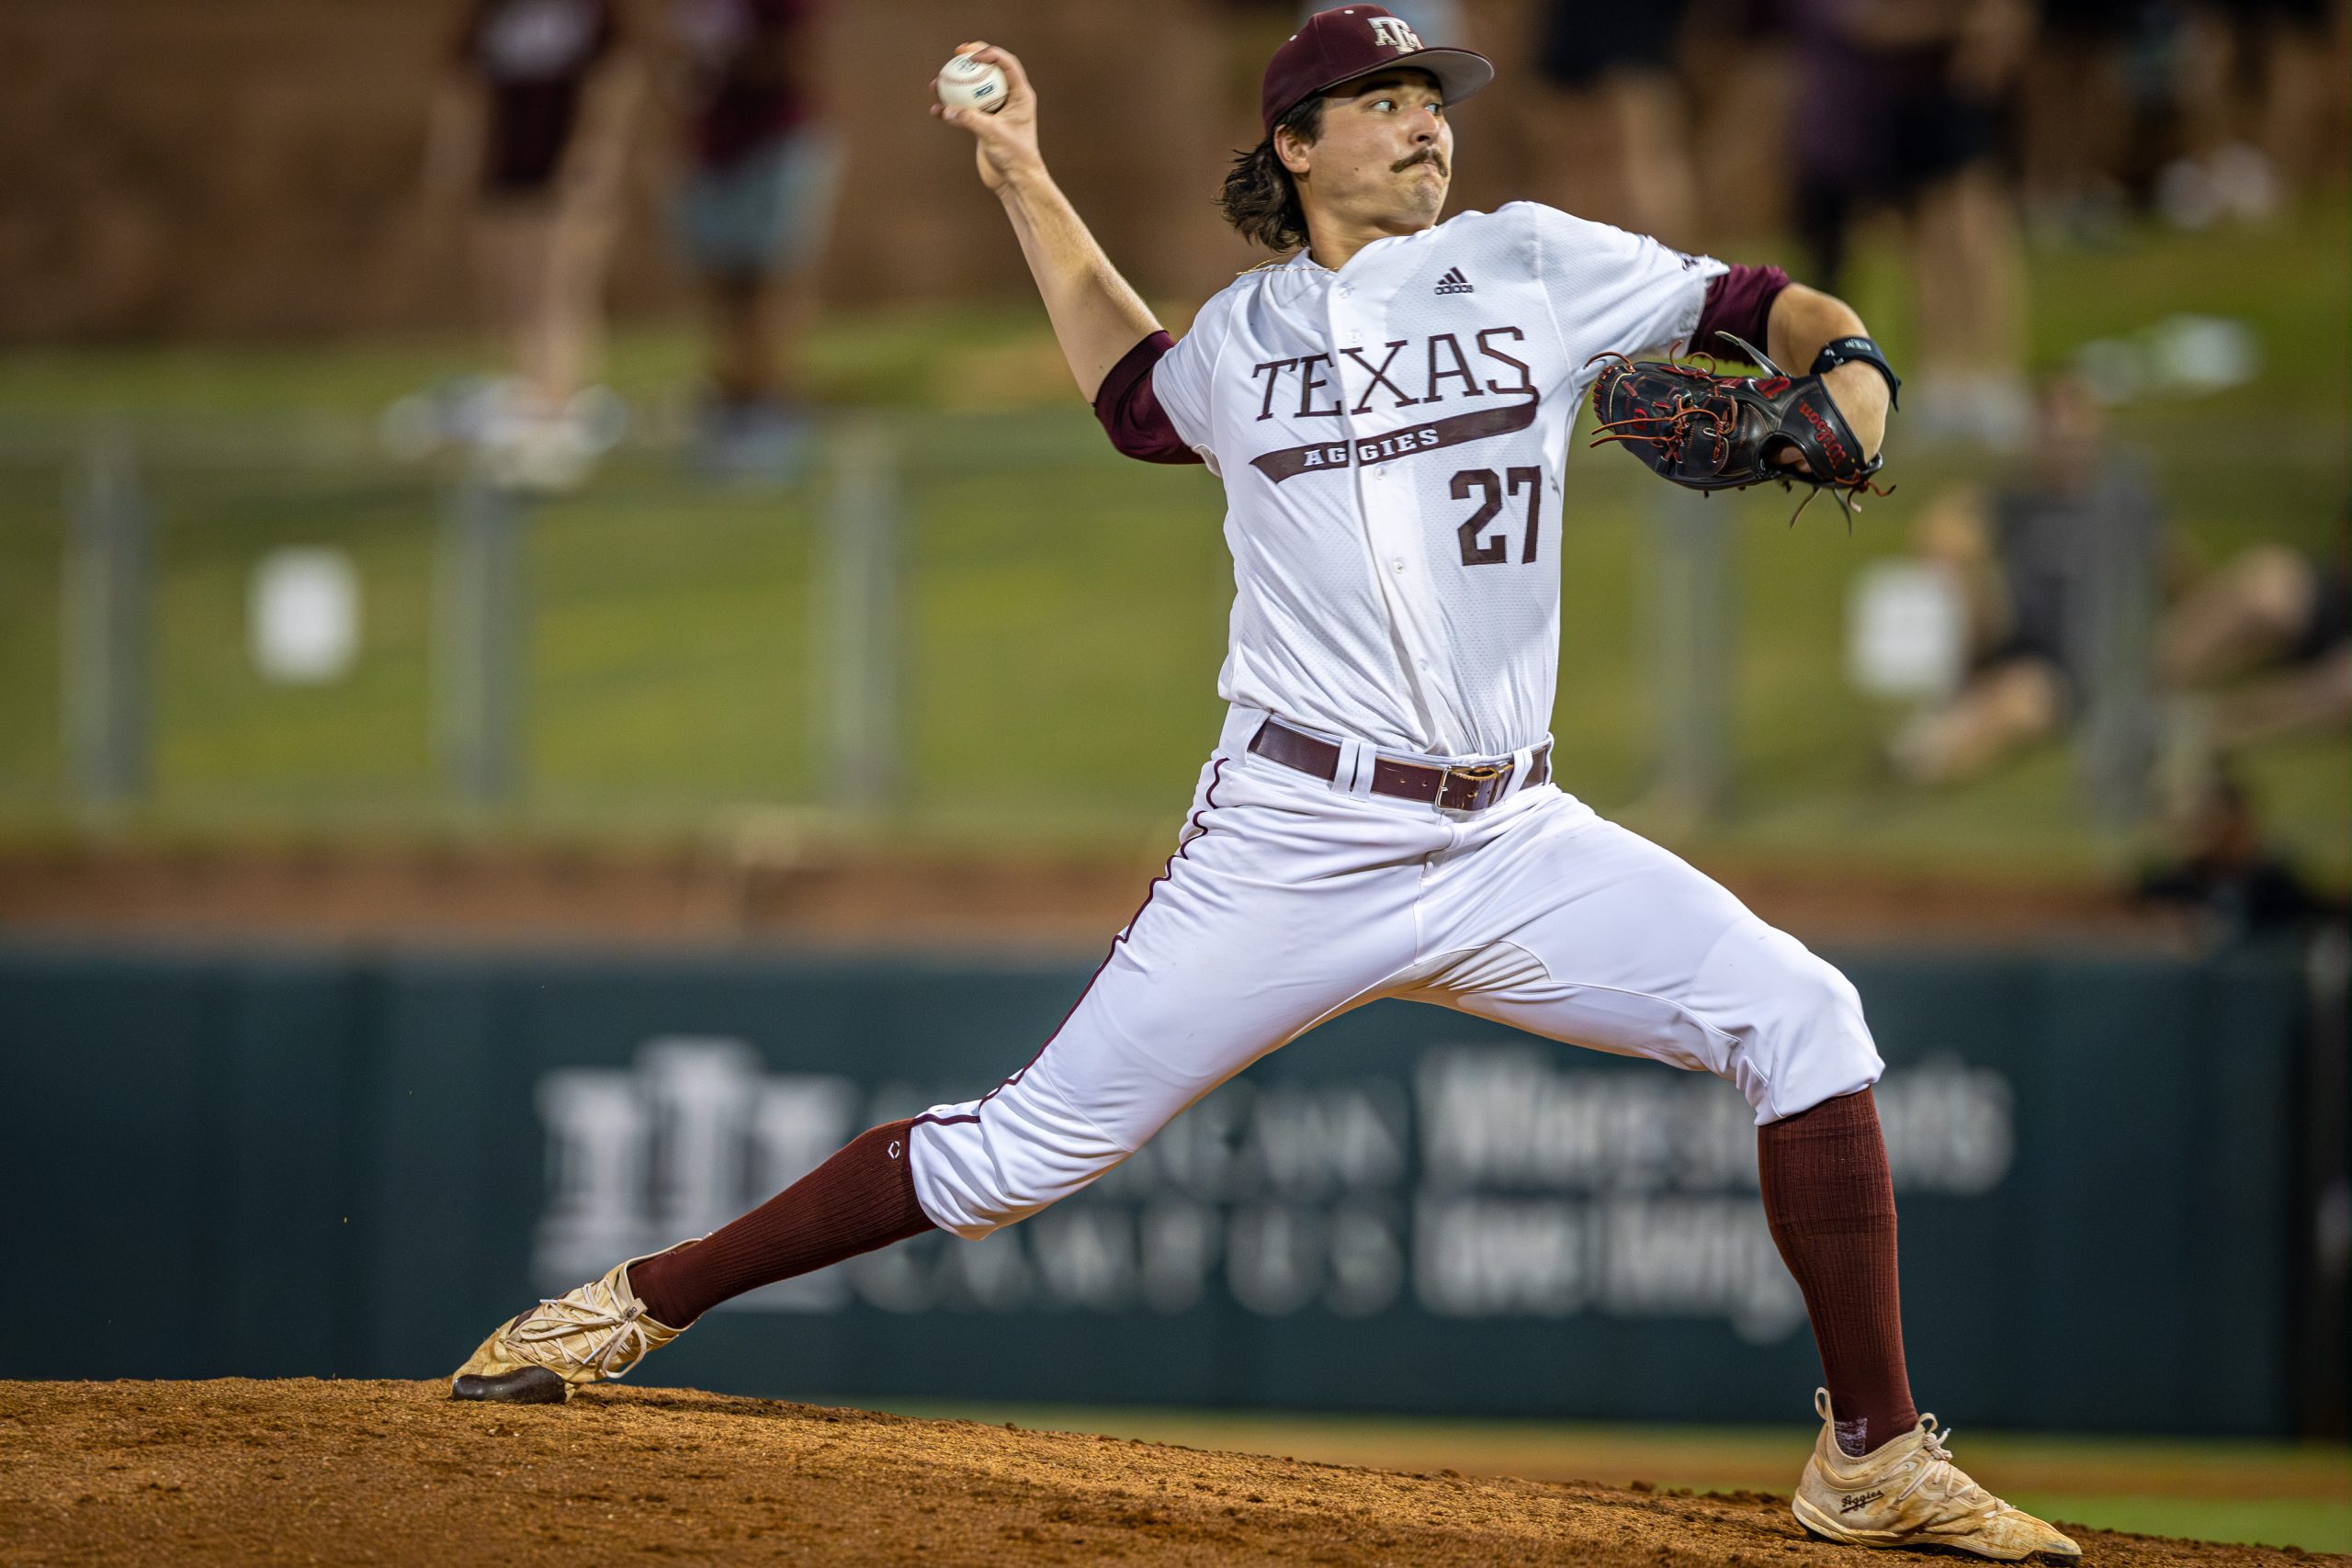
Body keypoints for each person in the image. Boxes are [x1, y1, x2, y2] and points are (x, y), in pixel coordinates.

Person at [450, 10, 2075, 1560]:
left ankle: (1872, 1459)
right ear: (1294, 143)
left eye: (1435, 96)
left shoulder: (1532, 259)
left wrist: (1853, 365)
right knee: (1009, 1164)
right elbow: (1124, 389)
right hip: (1295, 834)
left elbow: (1761, 303)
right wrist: (1022, 173)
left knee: (1801, 1018)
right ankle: (633, 1303)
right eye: (1386, 100)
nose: (1427, 118)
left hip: (1512, 831)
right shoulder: (1241, 340)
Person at [421, 0, 643, 491]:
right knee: (514, 298)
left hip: (565, 174)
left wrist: (596, 152)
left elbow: (615, 75)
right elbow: (463, 79)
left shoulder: (587, 11)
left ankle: (558, 421)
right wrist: (455, 157)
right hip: (505, 169)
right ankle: (528, 411)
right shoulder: (494, 12)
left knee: (558, 294)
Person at [668, 0, 839, 480]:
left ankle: (773, 413)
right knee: (720, 286)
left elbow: (790, 54)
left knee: (770, 281)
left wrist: (719, 67)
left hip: (774, 141)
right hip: (709, 149)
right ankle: (733, 409)